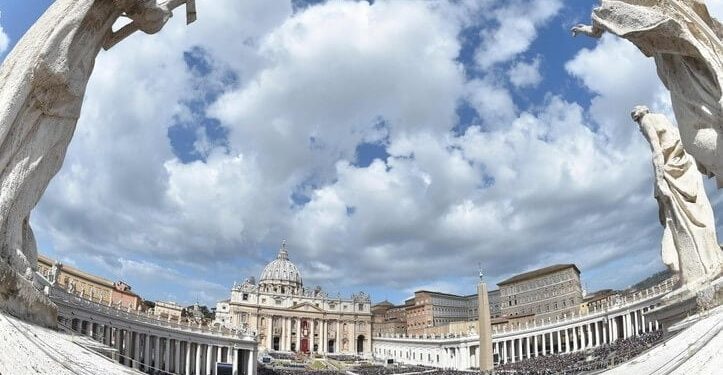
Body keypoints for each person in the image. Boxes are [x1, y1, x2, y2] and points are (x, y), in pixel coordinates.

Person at [572, 1, 723, 187]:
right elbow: (613, 11)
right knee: (700, 130)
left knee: (697, 135)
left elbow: (613, 10)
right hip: (677, 50)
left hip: (680, 49)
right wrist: (596, 26)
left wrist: (596, 27)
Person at [631, 105, 723, 293]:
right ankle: (710, 260)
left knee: (679, 222)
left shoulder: (647, 122)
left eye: (637, 123)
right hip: (685, 165)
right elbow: (679, 138)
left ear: (639, 118)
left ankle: (694, 270)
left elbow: (657, 151)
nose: (640, 129)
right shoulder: (662, 118)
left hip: (672, 171)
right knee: (699, 214)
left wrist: (659, 181)